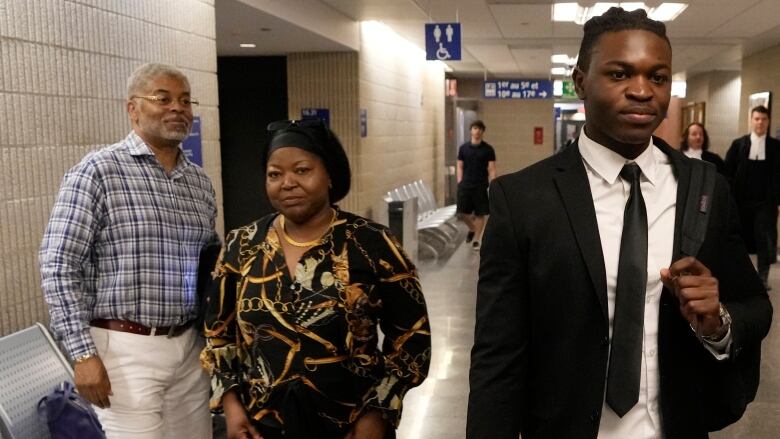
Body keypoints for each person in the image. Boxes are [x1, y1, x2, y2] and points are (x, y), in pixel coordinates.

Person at [467, 8, 772, 439]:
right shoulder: (523, 200)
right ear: (580, 82)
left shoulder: (705, 189)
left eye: (658, 77)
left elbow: (755, 307)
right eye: (619, 74)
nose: (642, 91)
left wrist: (718, 321)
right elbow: (497, 356)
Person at [200, 119, 431, 439]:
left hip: (352, 425)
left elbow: (413, 339)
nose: (287, 182)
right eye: (274, 174)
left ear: (330, 175)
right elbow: (218, 334)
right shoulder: (243, 245)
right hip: (261, 426)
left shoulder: (371, 242)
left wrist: (379, 412)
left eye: (303, 170)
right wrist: (231, 404)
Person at [39, 63, 218, 438]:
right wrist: (83, 355)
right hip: (124, 349)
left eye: (185, 101)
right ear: (132, 108)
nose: (178, 108)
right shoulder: (98, 171)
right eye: (163, 98)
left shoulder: (198, 182)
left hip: (189, 346)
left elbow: (207, 262)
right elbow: (58, 264)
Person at [725, 105, 780, 289]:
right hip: (741, 201)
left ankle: (762, 278)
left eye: (763, 119)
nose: (760, 123)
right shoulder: (738, 144)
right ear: (751, 120)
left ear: (768, 122)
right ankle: (741, 274)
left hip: (765, 202)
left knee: (763, 239)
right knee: (740, 238)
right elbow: (728, 172)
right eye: (756, 119)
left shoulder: (775, 146)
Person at [457, 120, 496, 251]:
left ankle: (476, 240)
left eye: (480, 129)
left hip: (480, 185)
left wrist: (493, 183)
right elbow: (460, 166)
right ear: (471, 130)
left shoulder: (488, 149)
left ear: (482, 131)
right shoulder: (463, 148)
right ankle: (473, 229)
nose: (477, 131)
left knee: (480, 213)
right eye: (475, 128)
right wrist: (459, 180)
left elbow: (491, 168)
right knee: (463, 212)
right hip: (466, 185)